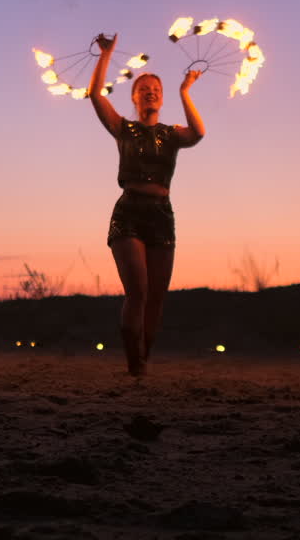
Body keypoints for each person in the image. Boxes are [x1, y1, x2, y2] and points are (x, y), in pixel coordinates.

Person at [88, 33, 204, 376]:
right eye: (143, 89)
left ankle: (143, 361)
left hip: (161, 215)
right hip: (129, 213)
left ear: (163, 98)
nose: (150, 91)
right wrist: (106, 55)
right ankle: (133, 364)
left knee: (156, 298)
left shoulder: (172, 134)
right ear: (134, 98)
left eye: (156, 89)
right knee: (137, 291)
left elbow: (198, 133)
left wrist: (186, 91)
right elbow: (95, 95)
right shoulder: (123, 129)